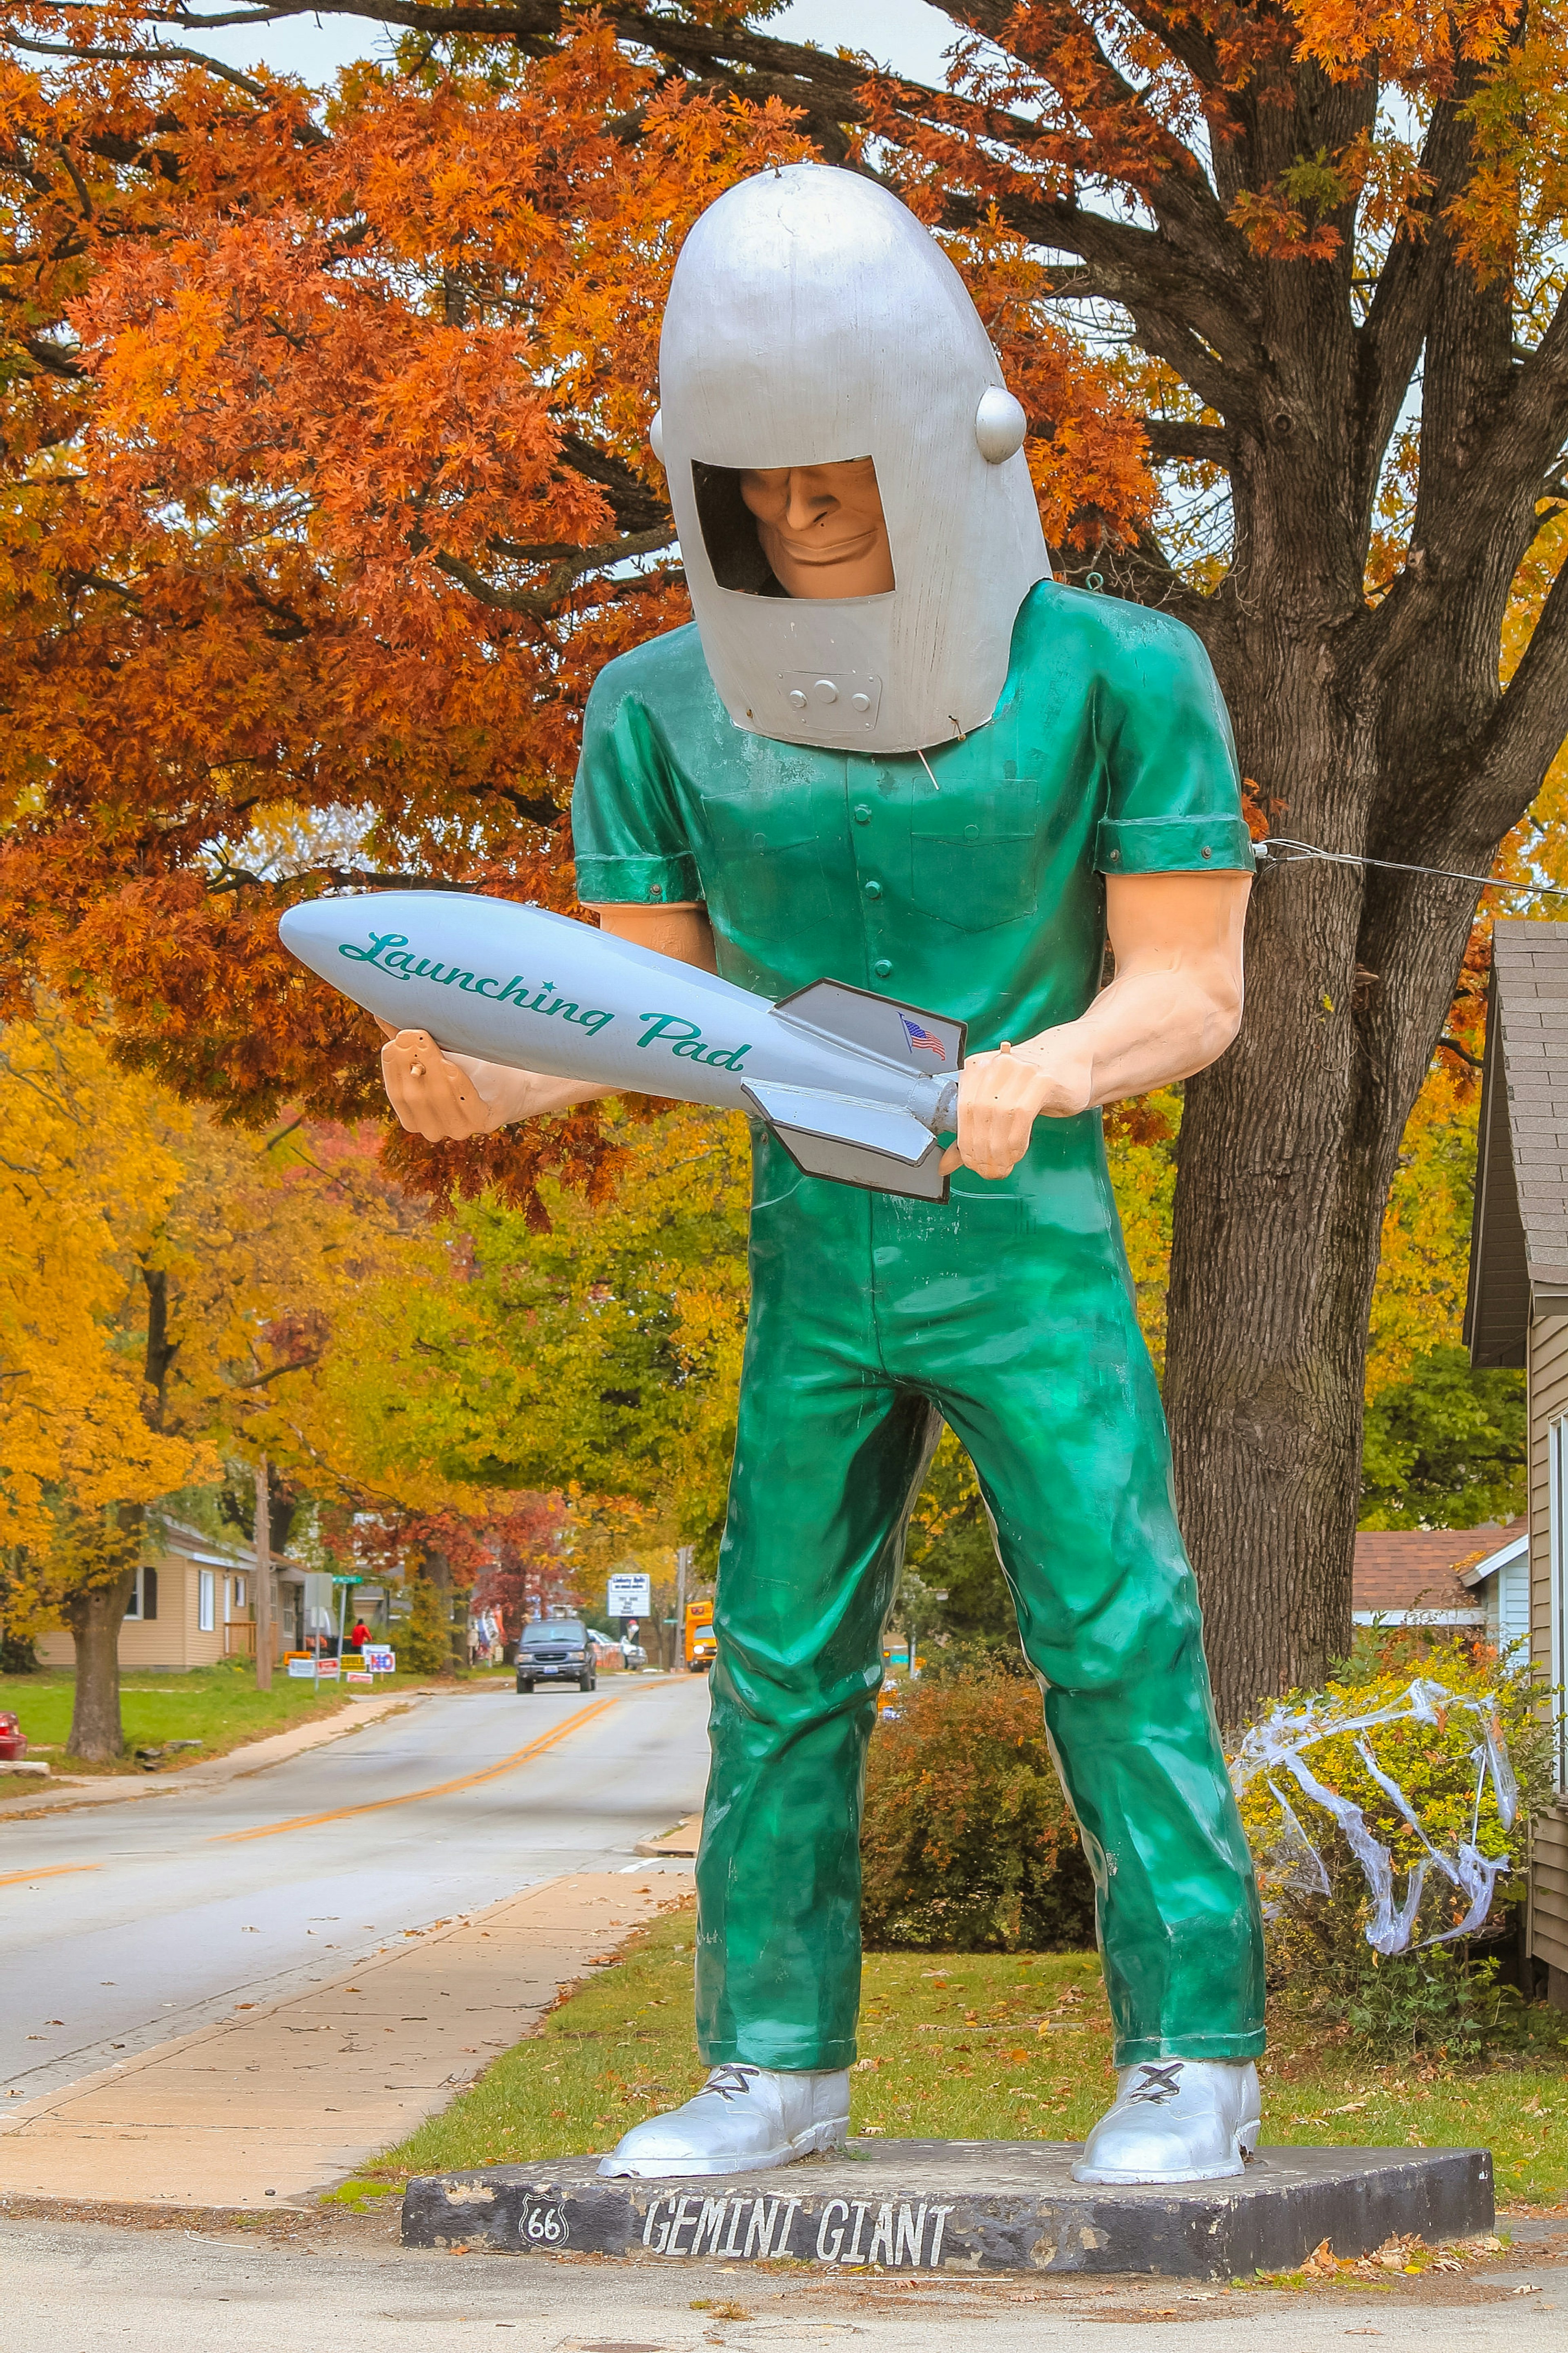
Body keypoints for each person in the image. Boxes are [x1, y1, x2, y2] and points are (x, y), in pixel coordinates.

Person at [378, 164, 1265, 2188]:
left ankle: (1193, 2050)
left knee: (1117, 1629)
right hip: (814, 1241)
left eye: (833, 475)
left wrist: (1045, 1066)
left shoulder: (1120, 674)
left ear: (946, 447)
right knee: (775, 1653)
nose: (793, 517)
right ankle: (772, 2054)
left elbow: (1192, 982)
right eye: (753, 486)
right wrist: (482, 1087)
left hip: (1021, 1235)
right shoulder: (659, 707)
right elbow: (640, 1004)